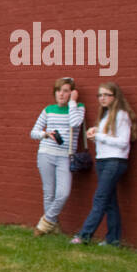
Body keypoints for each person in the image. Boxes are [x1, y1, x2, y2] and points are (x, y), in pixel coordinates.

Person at [71, 82, 137, 246]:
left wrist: (99, 136)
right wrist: (95, 131)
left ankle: (84, 235)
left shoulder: (122, 115)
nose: (102, 98)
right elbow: (106, 136)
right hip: (103, 160)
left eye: (106, 95)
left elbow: (123, 142)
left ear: (115, 97)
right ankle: (113, 239)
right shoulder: (105, 115)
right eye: (100, 95)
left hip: (115, 161)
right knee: (109, 201)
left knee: (100, 198)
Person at [30, 77, 85, 234]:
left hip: (65, 156)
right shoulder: (48, 110)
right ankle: (53, 227)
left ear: (72, 93)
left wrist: (73, 102)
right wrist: (46, 134)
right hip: (46, 153)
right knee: (49, 193)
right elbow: (33, 132)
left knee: (63, 193)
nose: (61, 94)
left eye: (66, 91)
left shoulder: (78, 107)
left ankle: (45, 224)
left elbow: (75, 123)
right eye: (58, 91)